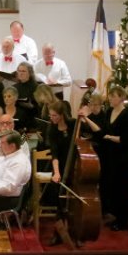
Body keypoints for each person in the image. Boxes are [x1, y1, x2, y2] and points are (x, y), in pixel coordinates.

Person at [86, 86, 128, 231]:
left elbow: (125, 139)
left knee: (123, 187)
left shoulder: (126, 115)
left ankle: (123, 220)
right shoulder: (109, 111)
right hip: (112, 154)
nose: (110, 98)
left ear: (121, 97)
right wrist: (87, 120)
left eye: (113, 96)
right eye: (110, 96)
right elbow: (102, 131)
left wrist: (109, 137)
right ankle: (116, 216)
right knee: (112, 185)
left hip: (125, 156)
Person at [47, 100, 76, 245]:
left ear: (62, 115)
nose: (51, 118)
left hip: (76, 167)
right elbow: (55, 154)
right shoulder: (52, 129)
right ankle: (58, 233)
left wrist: (86, 117)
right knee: (60, 201)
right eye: (50, 115)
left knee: (74, 204)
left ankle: (75, 233)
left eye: (54, 115)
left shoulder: (73, 124)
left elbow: (94, 132)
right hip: (59, 167)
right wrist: (56, 173)